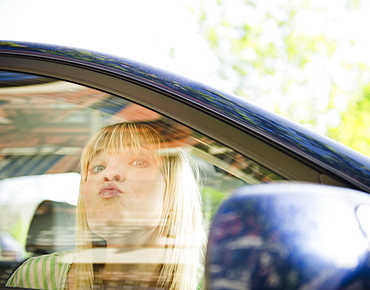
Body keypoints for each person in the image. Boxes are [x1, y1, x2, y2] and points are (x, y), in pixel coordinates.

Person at [7, 122, 206, 289]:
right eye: (98, 167)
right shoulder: (36, 277)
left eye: (138, 162)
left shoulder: (214, 284)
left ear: (173, 189)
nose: (109, 173)